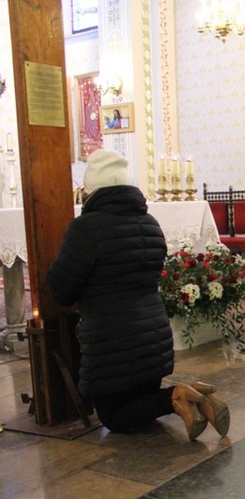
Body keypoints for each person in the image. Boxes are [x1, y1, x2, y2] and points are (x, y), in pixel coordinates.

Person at [46, 149, 229, 441]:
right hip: (152, 341)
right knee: (136, 403)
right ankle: (194, 397)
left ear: (91, 191)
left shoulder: (85, 229)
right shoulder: (151, 224)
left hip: (113, 343)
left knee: (114, 417)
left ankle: (178, 396)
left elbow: (61, 291)